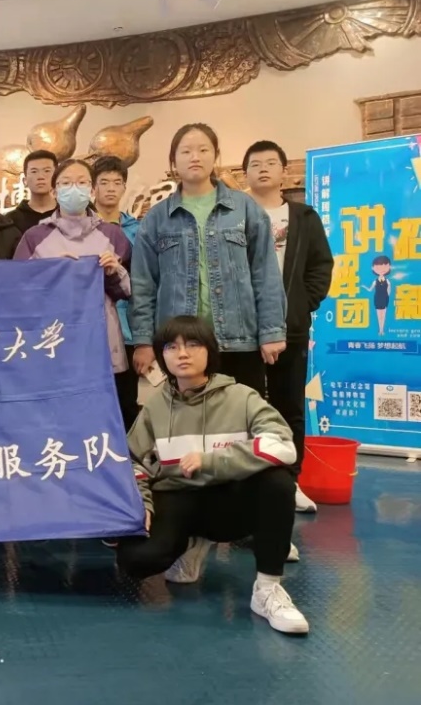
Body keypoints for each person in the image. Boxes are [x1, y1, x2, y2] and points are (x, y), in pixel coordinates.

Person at [116, 316, 308, 635]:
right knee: (134, 560)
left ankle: (267, 590)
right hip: (178, 497)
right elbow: (132, 462)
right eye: (171, 347)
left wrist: (211, 461)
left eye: (193, 344)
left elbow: (283, 447)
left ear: (210, 351)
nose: (182, 353)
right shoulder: (154, 408)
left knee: (277, 483)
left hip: (229, 503)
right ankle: (191, 544)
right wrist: (144, 504)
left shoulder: (242, 398)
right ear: (162, 356)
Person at [129, 123, 286, 395]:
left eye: (203, 150)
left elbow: (265, 272)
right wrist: (143, 341)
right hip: (180, 346)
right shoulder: (156, 217)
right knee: (187, 418)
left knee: (240, 415)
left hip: (239, 340)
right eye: (186, 151)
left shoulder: (244, 208)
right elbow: (143, 284)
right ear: (173, 160)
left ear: (215, 156)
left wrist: (272, 331)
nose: (195, 157)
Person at [244, 140, 333, 513]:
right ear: (245, 174)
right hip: (242, 330)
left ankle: (289, 482)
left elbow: (321, 265)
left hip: (290, 328)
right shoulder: (235, 215)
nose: (263, 169)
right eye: (255, 164)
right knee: (244, 407)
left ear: (284, 171)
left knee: (288, 406)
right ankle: (246, 484)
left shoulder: (304, 217)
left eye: (271, 163)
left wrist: (300, 303)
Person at [14, 159, 132, 375]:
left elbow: (126, 293)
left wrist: (114, 272)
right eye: (66, 183)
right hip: (51, 339)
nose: (74, 189)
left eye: (82, 182)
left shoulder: (113, 235)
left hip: (100, 339)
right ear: (54, 191)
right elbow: (18, 291)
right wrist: (51, 271)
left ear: (92, 190)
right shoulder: (35, 236)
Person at [92, 155, 141, 430]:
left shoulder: (138, 229)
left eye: (117, 182)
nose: (111, 188)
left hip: (130, 328)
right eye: (104, 182)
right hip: (94, 326)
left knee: (127, 401)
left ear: (124, 187)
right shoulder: (83, 229)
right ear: (93, 187)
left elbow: (145, 280)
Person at [8, 150, 58, 236]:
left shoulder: (68, 215)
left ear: (57, 177)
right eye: (34, 171)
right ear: (25, 181)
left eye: (47, 171)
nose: (40, 177)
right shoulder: (10, 220)